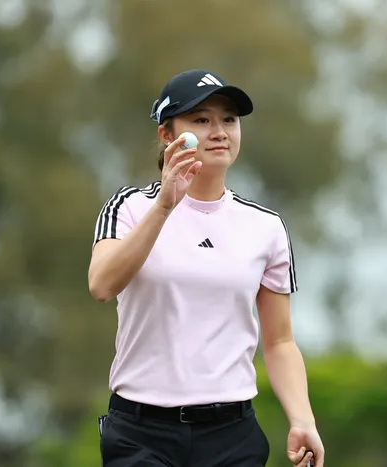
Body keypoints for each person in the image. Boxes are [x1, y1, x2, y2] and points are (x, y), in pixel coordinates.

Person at [88, 69, 324, 467]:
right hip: (141, 433)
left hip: (231, 435)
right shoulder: (129, 207)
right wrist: (164, 206)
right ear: (167, 134)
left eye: (229, 120)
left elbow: (280, 342)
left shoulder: (265, 227)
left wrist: (303, 420)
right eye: (201, 120)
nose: (219, 132)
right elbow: (102, 285)